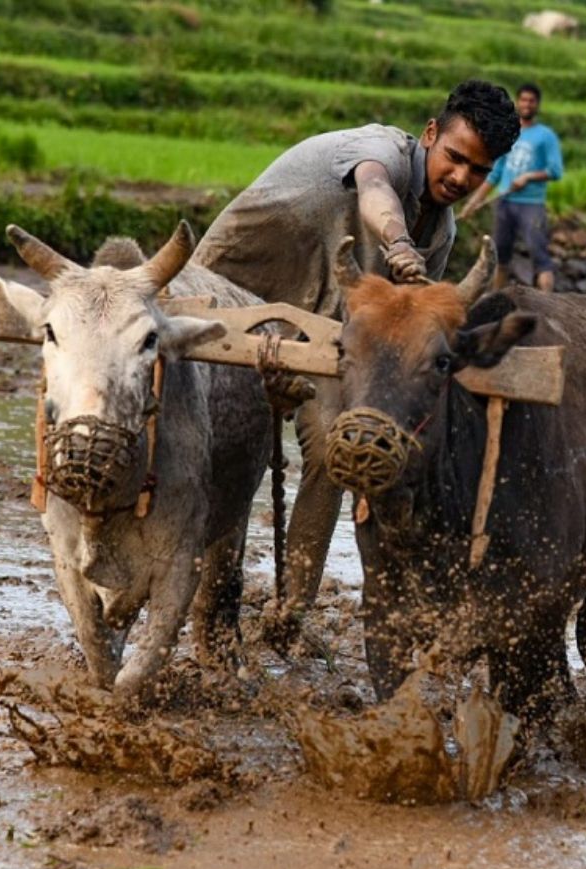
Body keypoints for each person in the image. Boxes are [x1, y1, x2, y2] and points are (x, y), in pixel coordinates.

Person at [190, 79, 520, 638]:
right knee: (225, 458)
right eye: (456, 158)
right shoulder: (380, 152)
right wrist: (395, 243)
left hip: (321, 340)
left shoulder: (440, 230)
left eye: (480, 172)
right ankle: (210, 614)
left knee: (338, 449)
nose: (462, 178)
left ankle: (292, 608)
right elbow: (375, 193)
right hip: (226, 303)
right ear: (430, 135)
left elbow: (401, 332)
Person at [459, 82, 563, 291]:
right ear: (517, 103)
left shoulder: (546, 136)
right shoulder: (510, 133)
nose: (527, 104)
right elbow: (495, 173)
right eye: (523, 100)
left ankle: (547, 304)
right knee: (500, 256)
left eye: (531, 101)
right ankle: (496, 301)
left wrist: (528, 177)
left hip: (531, 204)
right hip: (504, 202)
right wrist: (473, 202)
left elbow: (555, 170)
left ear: (537, 105)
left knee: (539, 255)